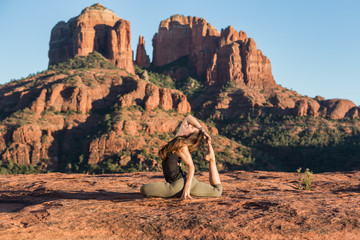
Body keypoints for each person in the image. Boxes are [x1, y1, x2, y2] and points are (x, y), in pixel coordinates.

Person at [140, 115, 222, 200]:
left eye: (192, 127)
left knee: (144, 189)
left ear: (190, 135)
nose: (189, 125)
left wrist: (186, 190)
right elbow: (188, 118)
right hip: (181, 181)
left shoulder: (181, 145)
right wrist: (202, 130)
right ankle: (211, 159)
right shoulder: (178, 138)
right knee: (217, 191)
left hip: (178, 184)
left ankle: (212, 159)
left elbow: (191, 167)